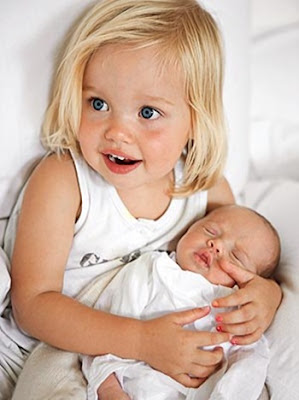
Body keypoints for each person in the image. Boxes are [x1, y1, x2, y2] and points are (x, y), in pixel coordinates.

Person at [0, 0, 282, 398]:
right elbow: (33, 306)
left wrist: (267, 296)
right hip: (49, 349)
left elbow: (238, 260)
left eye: (148, 112)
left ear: (195, 121)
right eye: (98, 104)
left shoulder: (204, 188)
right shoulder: (65, 180)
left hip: (145, 358)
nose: (117, 131)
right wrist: (140, 342)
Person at [83, 204, 280, 400]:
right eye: (210, 230)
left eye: (236, 256)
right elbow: (104, 332)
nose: (217, 244)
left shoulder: (236, 308)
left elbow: (249, 365)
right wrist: (109, 389)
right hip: (131, 383)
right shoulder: (152, 270)